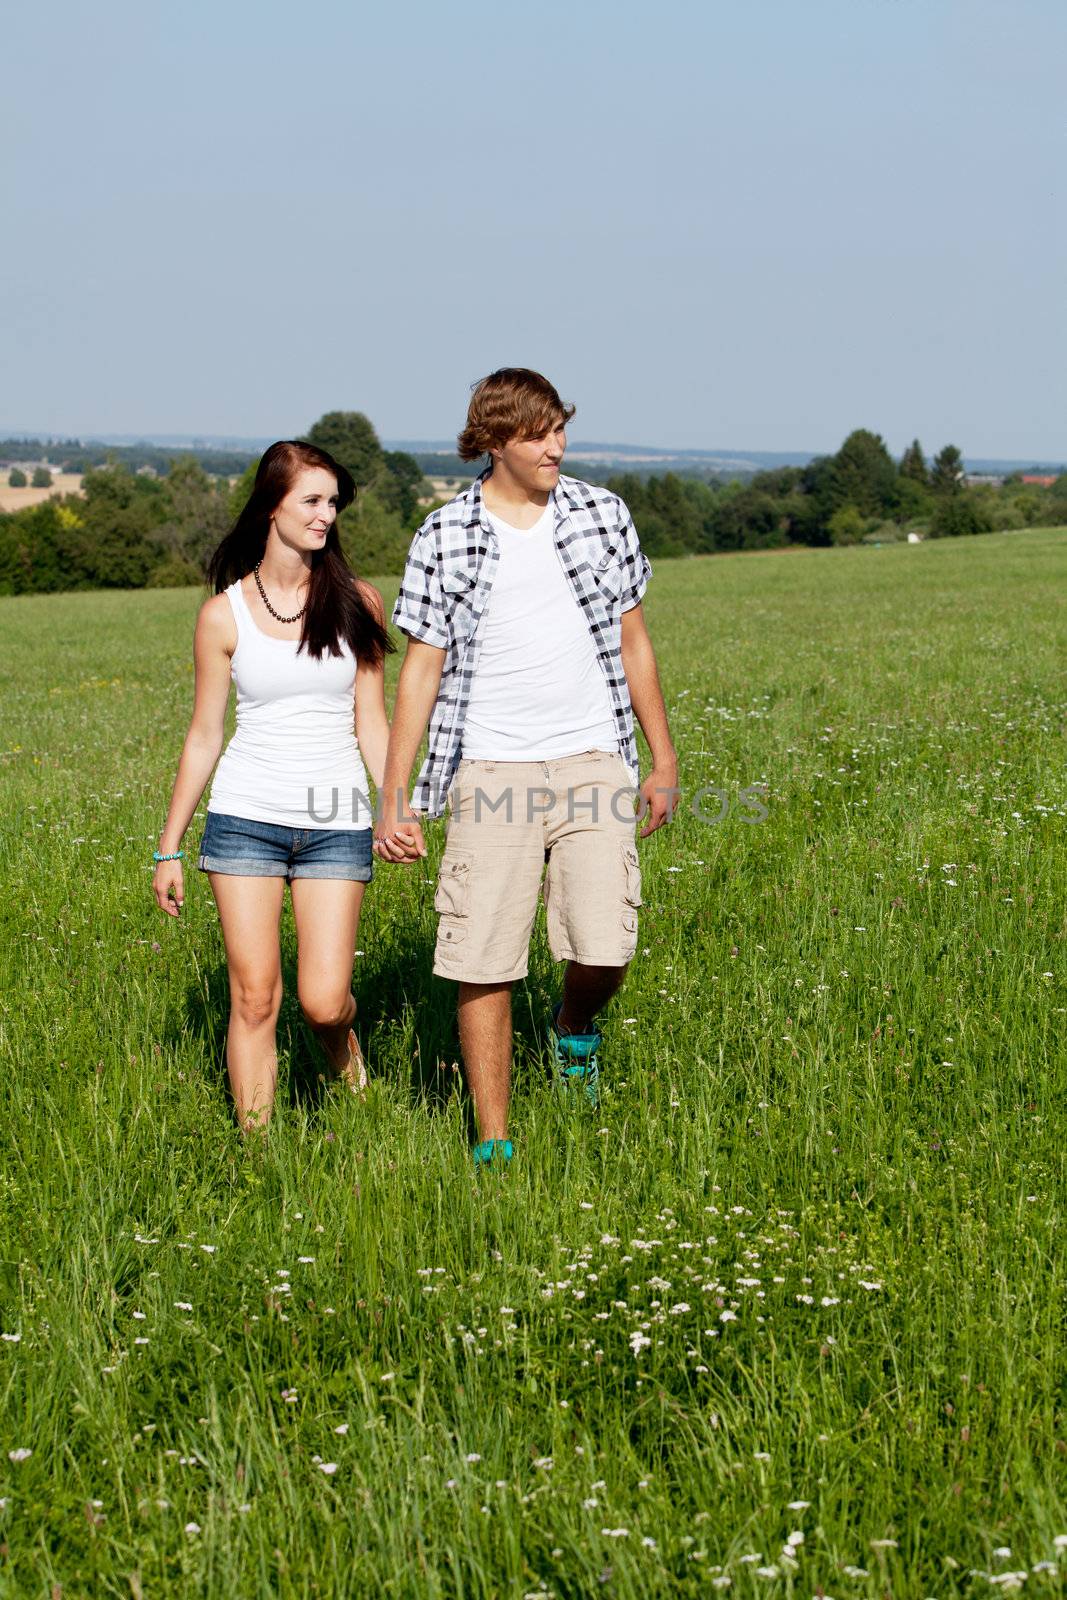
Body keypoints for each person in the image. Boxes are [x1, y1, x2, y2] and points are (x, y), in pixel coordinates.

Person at [374, 369, 676, 1164]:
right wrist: (394, 796)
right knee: (485, 956)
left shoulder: (601, 514)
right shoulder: (444, 534)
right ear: (494, 441)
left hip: (593, 757)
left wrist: (662, 757)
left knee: (606, 945)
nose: (557, 446)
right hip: (488, 768)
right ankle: (493, 1139)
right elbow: (420, 670)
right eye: (538, 434)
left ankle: (573, 1027)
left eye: (559, 429)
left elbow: (633, 642)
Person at [153, 440, 394, 1131]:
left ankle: (347, 1065)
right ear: (271, 507)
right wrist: (169, 848)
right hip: (245, 819)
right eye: (312, 501)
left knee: (323, 1001)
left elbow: (372, 725)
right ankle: (257, 1159)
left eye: (332, 503)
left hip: (336, 820)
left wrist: (394, 808)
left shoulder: (359, 603)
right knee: (254, 998)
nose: (327, 516)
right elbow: (204, 735)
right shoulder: (221, 616)